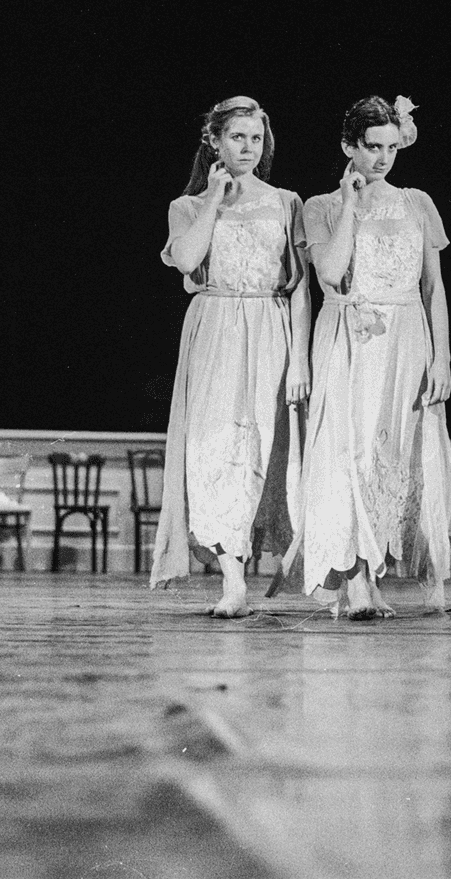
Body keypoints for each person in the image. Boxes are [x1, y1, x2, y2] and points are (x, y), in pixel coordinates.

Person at [148, 96, 310, 618]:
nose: (247, 147)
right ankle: (233, 581)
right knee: (216, 451)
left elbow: (302, 286)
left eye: (255, 138)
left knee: (265, 449)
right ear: (215, 142)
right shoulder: (188, 206)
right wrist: (215, 198)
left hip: (270, 329)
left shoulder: (287, 201)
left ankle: (272, 567)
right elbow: (188, 262)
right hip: (215, 327)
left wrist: (302, 359)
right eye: (236, 137)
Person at [300, 95, 451, 619]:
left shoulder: (417, 202)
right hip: (350, 337)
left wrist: (443, 359)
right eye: (372, 147)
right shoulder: (320, 207)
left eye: (392, 147)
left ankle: (375, 569)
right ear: (349, 146)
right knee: (353, 452)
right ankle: (356, 579)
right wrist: (349, 204)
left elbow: (434, 290)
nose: (384, 158)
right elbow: (329, 272)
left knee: (395, 454)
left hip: (407, 339)